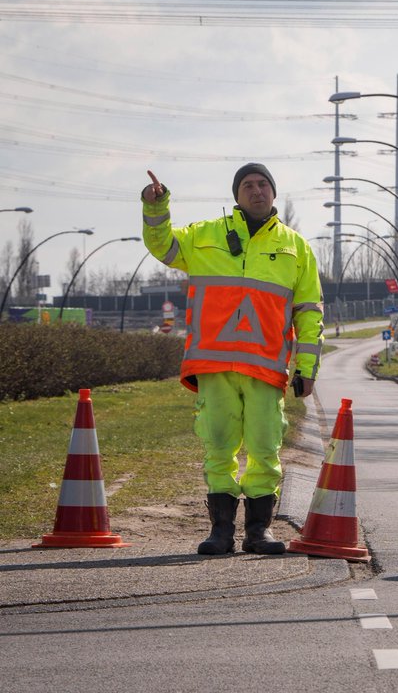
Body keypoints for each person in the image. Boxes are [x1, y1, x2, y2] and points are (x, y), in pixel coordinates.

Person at [140, 164, 324, 555]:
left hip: (265, 367)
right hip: (215, 364)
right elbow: (163, 246)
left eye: (263, 184)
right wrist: (156, 207)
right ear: (237, 195)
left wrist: (307, 369)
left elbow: (309, 313)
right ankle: (220, 532)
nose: (257, 191)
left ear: (274, 193)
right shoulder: (205, 235)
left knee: (265, 450)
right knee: (219, 447)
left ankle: (259, 532)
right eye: (248, 185)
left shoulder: (297, 248)